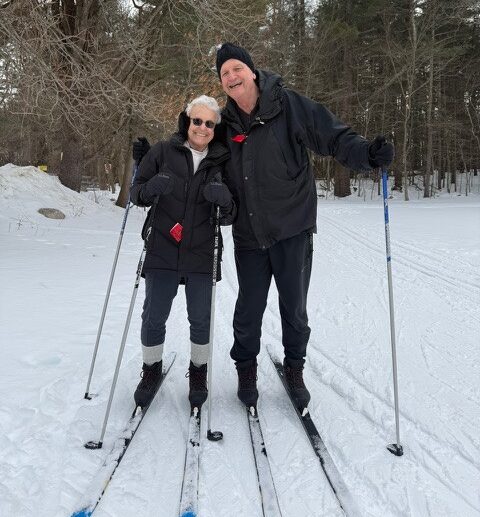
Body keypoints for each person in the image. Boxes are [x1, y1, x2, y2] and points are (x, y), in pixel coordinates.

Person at [215, 42, 394, 410]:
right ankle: (245, 368)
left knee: (293, 307)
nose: (231, 77)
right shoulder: (223, 123)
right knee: (249, 307)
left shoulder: (289, 105)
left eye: (236, 68)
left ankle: (294, 368)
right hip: (249, 233)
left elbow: (334, 137)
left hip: (292, 228)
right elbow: (194, 145)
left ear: (251, 71)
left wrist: (368, 155)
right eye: (224, 73)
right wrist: (154, 160)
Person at [129, 95, 234, 409]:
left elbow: (232, 214)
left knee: (200, 319)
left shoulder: (222, 161)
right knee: (153, 317)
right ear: (187, 121)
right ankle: (151, 371)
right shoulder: (162, 152)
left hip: (202, 251)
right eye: (197, 120)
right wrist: (151, 188)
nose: (202, 128)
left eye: (209, 123)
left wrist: (225, 198)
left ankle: (198, 371)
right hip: (163, 247)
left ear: (216, 128)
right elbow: (137, 194)